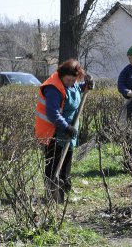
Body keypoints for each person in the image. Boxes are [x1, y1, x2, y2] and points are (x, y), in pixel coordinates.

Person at [35, 59, 94, 201]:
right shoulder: (53, 88)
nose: (71, 83)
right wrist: (66, 127)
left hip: (69, 129)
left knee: (67, 159)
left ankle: (65, 187)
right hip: (53, 131)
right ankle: (52, 191)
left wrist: (85, 86)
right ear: (62, 75)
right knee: (54, 163)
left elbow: (75, 90)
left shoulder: (72, 84)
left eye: (74, 80)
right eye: (68, 80)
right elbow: (52, 113)